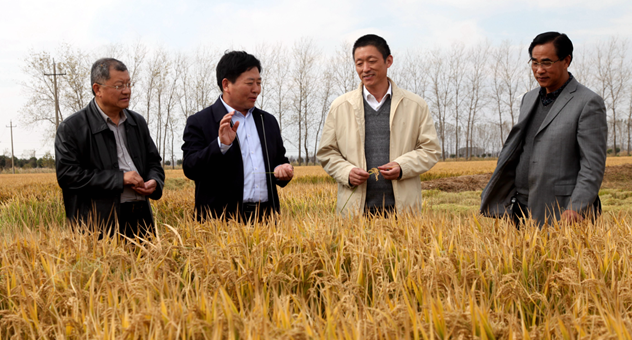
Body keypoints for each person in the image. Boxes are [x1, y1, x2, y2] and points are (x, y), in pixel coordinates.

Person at [481, 32, 608, 227]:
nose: (539, 70)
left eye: (547, 63)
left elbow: (592, 165)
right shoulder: (528, 99)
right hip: (521, 208)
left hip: (562, 211)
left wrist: (577, 206)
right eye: (534, 63)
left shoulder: (588, 102)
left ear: (566, 61)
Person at [317, 35, 440, 217]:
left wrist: (402, 167)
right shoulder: (340, 106)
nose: (365, 68)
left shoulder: (416, 105)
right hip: (354, 214)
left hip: (404, 214)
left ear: (388, 61)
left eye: (372, 61)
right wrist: (346, 172)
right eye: (359, 63)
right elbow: (327, 152)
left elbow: (430, 150)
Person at [55, 58, 165, 238]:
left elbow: (154, 163)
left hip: (141, 219)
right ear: (97, 89)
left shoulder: (137, 122)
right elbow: (68, 176)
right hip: (98, 226)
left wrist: (155, 181)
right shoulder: (72, 128)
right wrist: (120, 178)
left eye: (128, 84)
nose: (127, 91)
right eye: (119, 85)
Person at [182, 51, 294, 221]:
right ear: (226, 84)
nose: (256, 89)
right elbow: (191, 168)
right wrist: (220, 145)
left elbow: (279, 161)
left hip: (266, 220)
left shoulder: (267, 121)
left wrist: (284, 170)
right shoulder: (200, 121)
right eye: (250, 83)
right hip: (220, 223)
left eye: (259, 83)